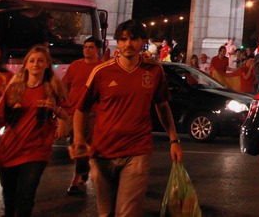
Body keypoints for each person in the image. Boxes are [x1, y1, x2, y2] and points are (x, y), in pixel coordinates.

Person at [70, 19, 183, 217]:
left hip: (137, 151)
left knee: (128, 212)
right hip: (102, 152)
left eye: (133, 39)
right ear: (117, 42)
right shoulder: (101, 72)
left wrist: (174, 139)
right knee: (106, 213)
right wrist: (79, 139)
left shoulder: (155, 71)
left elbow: (162, 106)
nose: (128, 44)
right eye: (122, 40)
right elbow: (81, 109)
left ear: (143, 42)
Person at [0, 44, 70, 217]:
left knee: (26, 197)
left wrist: (56, 111)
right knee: (10, 200)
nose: (36, 64)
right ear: (26, 64)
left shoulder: (53, 89)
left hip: (36, 150)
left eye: (40, 60)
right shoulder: (14, 88)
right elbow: (0, 118)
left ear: (47, 64)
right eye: (32, 60)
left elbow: (68, 114)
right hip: (9, 149)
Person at [62, 37, 101, 196]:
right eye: (85, 47)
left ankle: (77, 179)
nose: (87, 50)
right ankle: (83, 173)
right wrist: (65, 104)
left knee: (84, 145)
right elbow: (65, 85)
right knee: (76, 143)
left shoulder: (100, 68)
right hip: (74, 112)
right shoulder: (75, 66)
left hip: (92, 113)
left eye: (91, 47)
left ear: (97, 49)